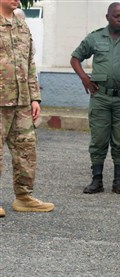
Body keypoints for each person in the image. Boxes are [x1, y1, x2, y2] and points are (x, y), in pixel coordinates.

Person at [70, 2, 120, 195]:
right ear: (108, 17)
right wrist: (84, 78)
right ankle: (97, 181)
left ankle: (118, 181)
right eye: (117, 16)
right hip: (101, 97)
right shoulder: (95, 37)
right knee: (98, 139)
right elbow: (75, 58)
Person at [0, 0, 55, 217]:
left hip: (22, 100)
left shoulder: (22, 23)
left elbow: (29, 62)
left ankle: (24, 197)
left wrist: (35, 98)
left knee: (26, 149)